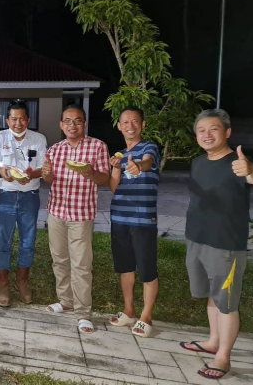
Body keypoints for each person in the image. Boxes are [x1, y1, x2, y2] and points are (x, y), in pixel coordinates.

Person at [179, 109, 253, 379]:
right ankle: (213, 341)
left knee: (227, 302)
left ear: (227, 132)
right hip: (196, 239)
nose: (206, 134)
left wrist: (251, 169)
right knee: (212, 294)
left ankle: (223, 357)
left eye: (213, 129)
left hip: (225, 244)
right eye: (201, 130)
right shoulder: (198, 163)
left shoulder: (238, 163)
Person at [41, 104, 110, 333]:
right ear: (61, 124)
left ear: (84, 123)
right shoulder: (55, 149)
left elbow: (104, 179)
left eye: (77, 121)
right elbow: (49, 180)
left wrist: (91, 173)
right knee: (59, 259)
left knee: (81, 265)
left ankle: (83, 313)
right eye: (68, 121)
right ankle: (65, 301)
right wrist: (47, 174)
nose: (72, 125)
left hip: (81, 213)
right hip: (56, 211)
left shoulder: (98, 146)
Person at [107, 106, 160, 338]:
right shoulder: (119, 154)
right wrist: (115, 169)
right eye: (126, 122)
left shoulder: (149, 147)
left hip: (143, 219)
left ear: (143, 124)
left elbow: (148, 162)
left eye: (135, 121)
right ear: (119, 126)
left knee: (147, 268)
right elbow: (113, 188)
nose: (130, 126)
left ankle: (146, 316)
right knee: (125, 266)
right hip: (119, 217)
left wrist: (138, 166)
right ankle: (129, 310)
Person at [0, 100, 47, 307]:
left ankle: (22, 281)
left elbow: (43, 168)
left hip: (29, 196)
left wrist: (32, 174)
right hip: (6, 194)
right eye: (14, 119)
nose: (18, 123)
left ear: (28, 120)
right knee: (2, 239)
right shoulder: (0, 137)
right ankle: (3, 283)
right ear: (7, 120)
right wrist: (2, 171)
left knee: (28, 241)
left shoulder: (39, 139)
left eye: (22, 119)